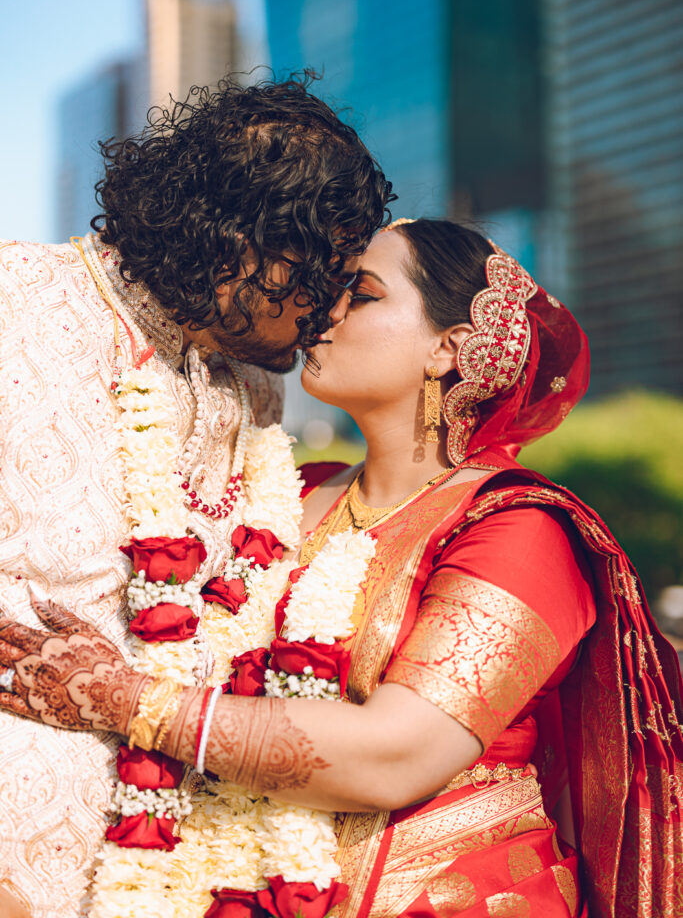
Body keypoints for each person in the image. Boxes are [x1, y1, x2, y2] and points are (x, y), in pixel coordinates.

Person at [1, 218, 681, 918]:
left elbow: (396, 755)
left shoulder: (519, 530)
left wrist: (127, 701)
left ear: (447, 348)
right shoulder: (288, 493)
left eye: (361, 294)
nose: (322, 310)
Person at [0, 72, 392, 918]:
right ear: (239, 246)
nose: (327, 311)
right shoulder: (15, 297)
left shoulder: (251, 387)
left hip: (170, 870)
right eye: (319, 273)